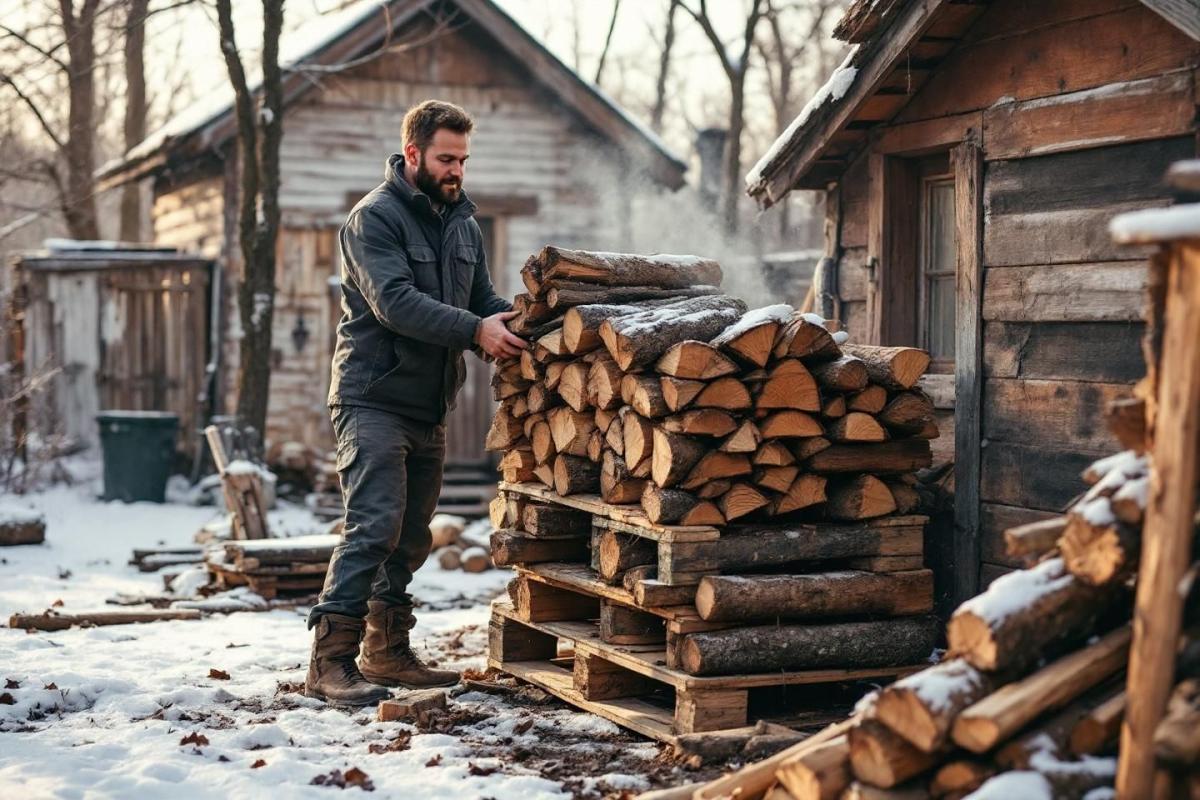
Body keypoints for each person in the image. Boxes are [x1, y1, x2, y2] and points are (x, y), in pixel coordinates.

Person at [305, 100, 527, 706]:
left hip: (429, 403)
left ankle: (387, 652)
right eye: (446, 158)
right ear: (413, 154)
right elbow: (395, 303)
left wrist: (518, 322)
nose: (457, 170)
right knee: (373, 525)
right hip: (371, 397)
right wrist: (475, 331)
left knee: (409, 536)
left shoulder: (463, 223)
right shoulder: (372, 219)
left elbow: (480, 298)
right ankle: (328, 661)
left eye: (463, 159)